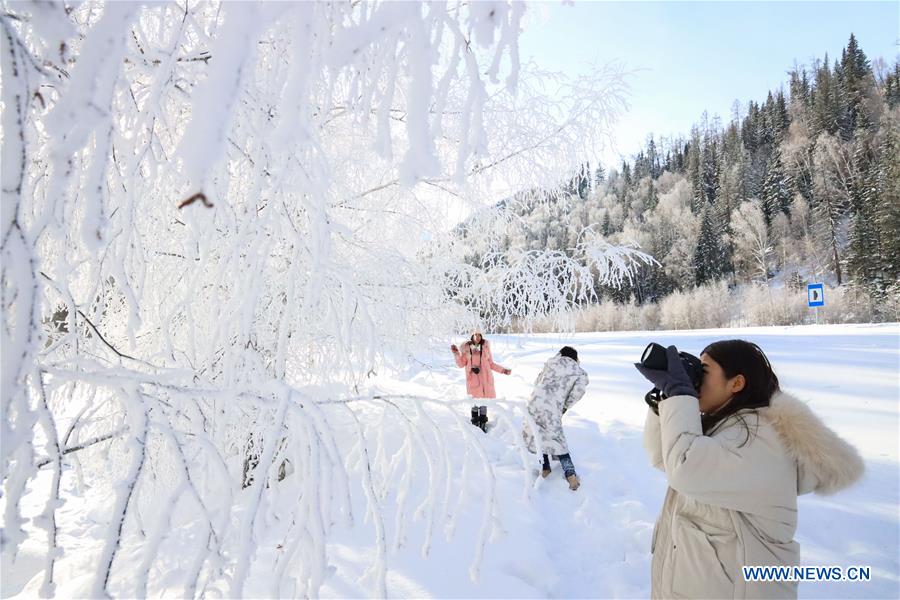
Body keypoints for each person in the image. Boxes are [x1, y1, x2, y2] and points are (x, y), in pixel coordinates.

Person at [635, 339, 864, 599]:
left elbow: (684, 467)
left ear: (736, 383)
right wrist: (666, 397)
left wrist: (681, 394)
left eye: (704, 371)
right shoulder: (726, 427)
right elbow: (662, 457)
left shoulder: (756, 438)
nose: (696, 378)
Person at [522, 346, 589, 491]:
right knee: (557, 440)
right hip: (552, 407)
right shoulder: (579, 372)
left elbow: (537, 382)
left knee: (540, 435)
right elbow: (577, 394)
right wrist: (564, 406)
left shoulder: (550, 364)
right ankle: (571, 476)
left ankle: (545, 468)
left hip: (534, 403)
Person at [451, 328, 510, 399]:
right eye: (475, 335)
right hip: (474, 382)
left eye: (479, 335)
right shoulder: (467, 350)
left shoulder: (485, 348)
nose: (477, 337)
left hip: (487, 382)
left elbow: (491, 364)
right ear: (472, 336)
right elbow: (461, 364)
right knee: (475, 406)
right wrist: (456, 354)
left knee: (485, 407)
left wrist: (503, 370)